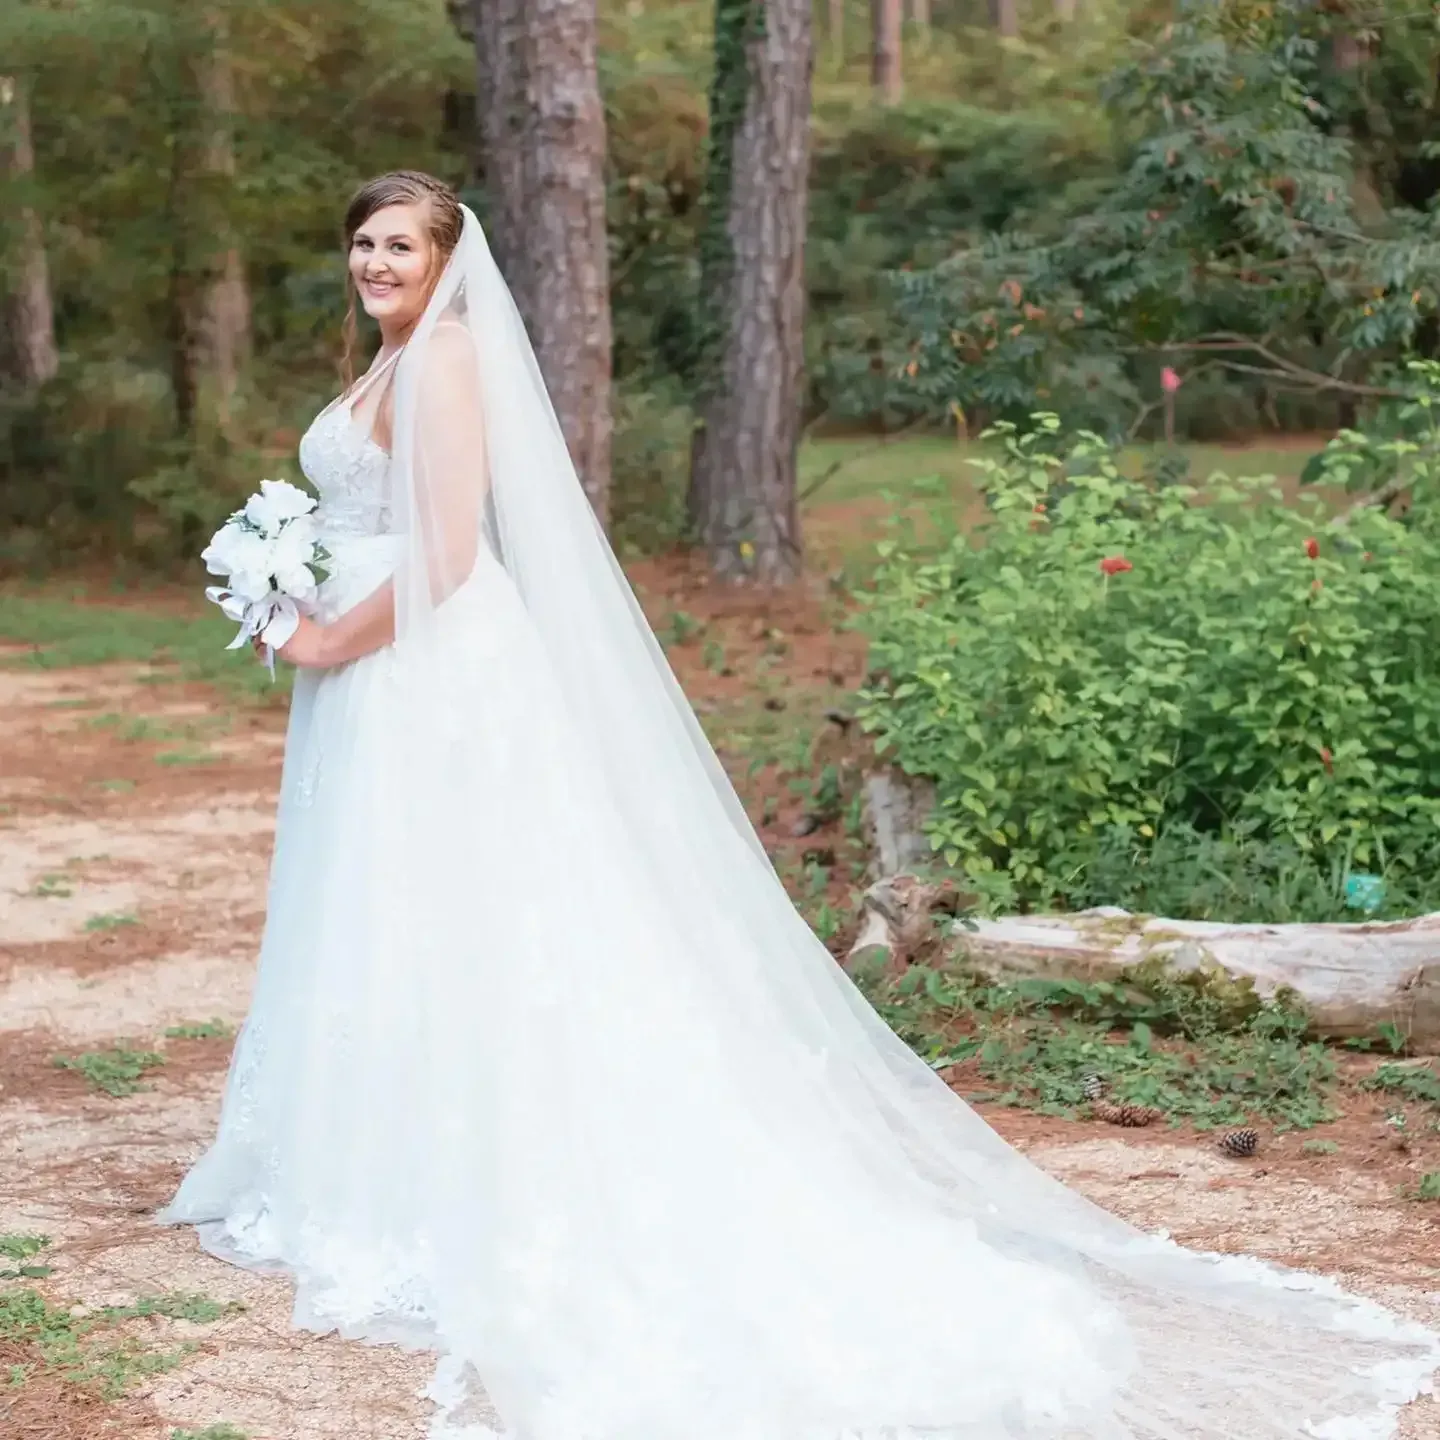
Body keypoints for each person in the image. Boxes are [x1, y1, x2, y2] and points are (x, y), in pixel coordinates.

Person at [162, 170, 1439, 1440]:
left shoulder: (442, 365)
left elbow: (446, 554)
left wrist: (329, 638)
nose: (376, 262)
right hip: (374, 673)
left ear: (446, 261)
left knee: (471, 908)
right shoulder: (382, 369)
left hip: (426, 670)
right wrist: (289, 586)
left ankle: (479, 1170)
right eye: (363, 243)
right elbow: (363, 521)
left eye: (399, 244)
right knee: (389, 907)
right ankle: (374, 1151)